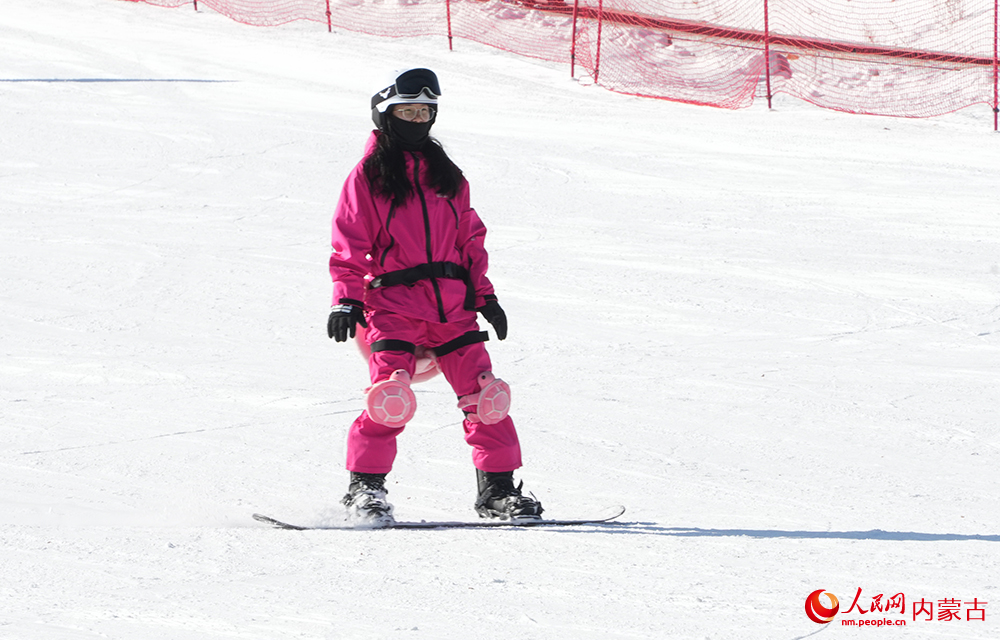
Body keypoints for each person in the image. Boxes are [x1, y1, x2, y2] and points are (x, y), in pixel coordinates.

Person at [327, 68, 543, 525]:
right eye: (407, 111)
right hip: (393, 306)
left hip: (452, 308)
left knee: (487, 398)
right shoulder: (368, 176)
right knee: (390, 397)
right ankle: (365, 489)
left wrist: (485, 297)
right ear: (386, 116)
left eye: (425, 112)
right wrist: (346, 300)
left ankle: (499, 491)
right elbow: (349, 242)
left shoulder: (447, 175)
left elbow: (470, 238)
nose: (417, 120)